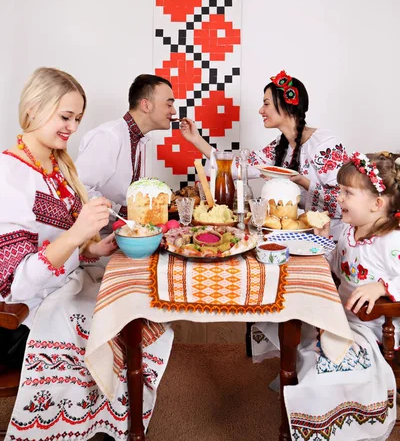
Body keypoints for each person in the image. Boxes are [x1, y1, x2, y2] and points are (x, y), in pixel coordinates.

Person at [0, 67, 173, 440]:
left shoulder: (57, 166)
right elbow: (17, 284)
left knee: (141, 301)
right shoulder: (10, 174)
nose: (73, 128)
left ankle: (110, 419)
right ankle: (96, 422)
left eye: (77, 118)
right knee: (122, 314)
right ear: (34, 107)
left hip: (63, 285)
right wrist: (79, 232)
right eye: (65, 117)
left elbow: (66, 250)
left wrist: (92, 248)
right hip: (26, 314)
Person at [254, 152, 400, 440]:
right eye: (340, 190)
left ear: (377, 204)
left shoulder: (392, 241)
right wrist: (323, 239)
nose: (339, 198)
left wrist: (382, 287)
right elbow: (337, 265)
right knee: (287, 314)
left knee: (324, 361)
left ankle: (323, 410)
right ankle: (297, 379)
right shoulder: (349, 230)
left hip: (373, 328)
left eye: (347, 192)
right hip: (342, 315)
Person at [180, 70, 348, 231]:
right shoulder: (279, 145)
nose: (261, 110)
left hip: (329, 236)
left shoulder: (325, 145)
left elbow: (345, 202)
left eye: (266, 104)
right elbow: (241, 165)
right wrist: (196, 139)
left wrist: (302, 181)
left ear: (287, 105)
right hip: (297, 232)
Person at [76, 74, 176, 221]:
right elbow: (79, 189)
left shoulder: (139, 139)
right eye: (169, 104)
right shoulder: (108, 136)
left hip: (121, 234)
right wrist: (125, 214)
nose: (173, 111)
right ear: (146, 105)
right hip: (98, 237)